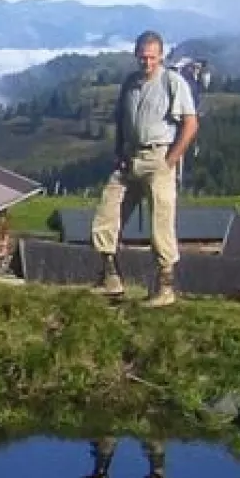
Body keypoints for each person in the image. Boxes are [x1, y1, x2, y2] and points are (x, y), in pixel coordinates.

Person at [91, 31, 200, 307]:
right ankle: (110, 279)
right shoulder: (129, 83)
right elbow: (121, 121)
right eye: (142, 57)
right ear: (135, 55)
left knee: (160, 224)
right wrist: (118, 152)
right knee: (106, 215)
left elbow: (190, 123)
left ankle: (165, 288)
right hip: (129, 158)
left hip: (158, 157)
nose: (147, 62)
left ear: (161, 56)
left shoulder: (172, 82)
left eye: (152, 57)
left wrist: (171, 159)